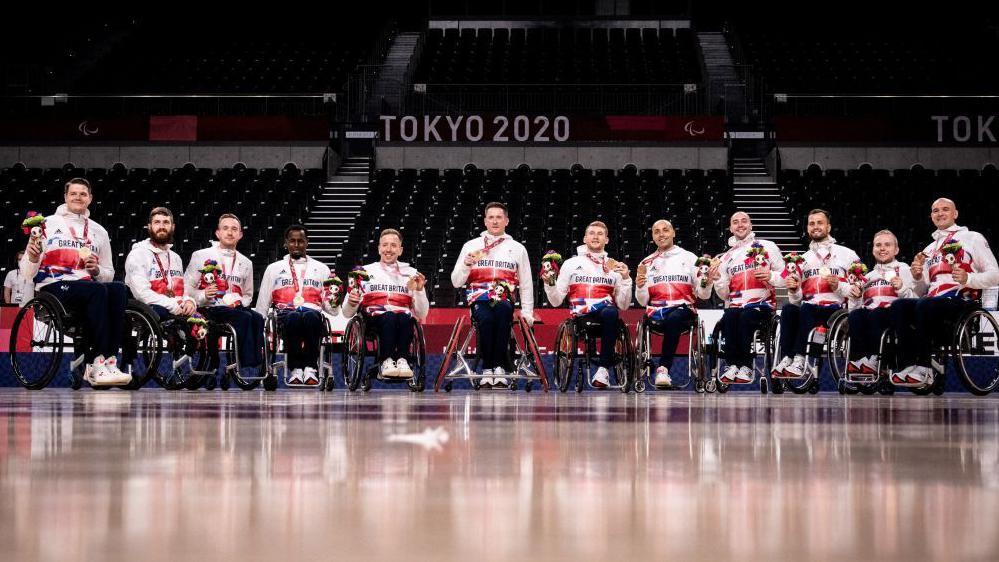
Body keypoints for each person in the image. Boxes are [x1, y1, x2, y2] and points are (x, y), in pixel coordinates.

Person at [19, 177, 131, 385]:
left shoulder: (99, 231)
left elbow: (108, 273)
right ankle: (96, 362)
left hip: (86, 288)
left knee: (118, 289)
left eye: (83, 194)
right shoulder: (46, 224)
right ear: (65, 197)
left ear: (90, 199)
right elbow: (26, 272)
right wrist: (33, 257)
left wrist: (97, 269)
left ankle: (109, 362)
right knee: (97, 291)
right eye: (73, 193)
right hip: (53, 287)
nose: (78, 197)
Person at [889, 198, 999, 383]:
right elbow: (922, 289)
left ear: (955, 214)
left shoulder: (973, 238)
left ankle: (925, 368)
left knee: (925, 304)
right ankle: (909, 365)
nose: (940, 213)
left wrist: (969, 278)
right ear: (931, 216)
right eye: (935, 210)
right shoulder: (929, 249)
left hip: (961, 302)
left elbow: (995, 274)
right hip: (932, 304)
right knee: (899, 306)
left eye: (945, 209)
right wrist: (917, 277)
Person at [450, 202, 535, 389]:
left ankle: (499, 368)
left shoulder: (518, 248)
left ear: (506, 221)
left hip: (505, 300)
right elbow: (456, 281)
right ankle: (488, 368)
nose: (495, 221)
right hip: (479, 299)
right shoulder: (471, 246)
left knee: (503, 311)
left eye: (499, 217)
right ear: (485, 221)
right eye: (491, 217)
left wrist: (528, 312)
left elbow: (527, 283)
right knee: (487, 318)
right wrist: (466, 264)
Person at [543, 221, 633, 388]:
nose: (595, 236)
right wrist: (549, 283)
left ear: (607, 240)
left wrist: (627, 279)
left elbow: (624, 304)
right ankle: (604, 367)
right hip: (581, 316)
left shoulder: (615, 267)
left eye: (600, 234)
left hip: (607, 314)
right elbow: (556, 301)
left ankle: (603, 370)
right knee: (610, 313)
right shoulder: (571, 264)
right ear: (585, 238)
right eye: (592, 233)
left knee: (611, 312)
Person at [775, 209, 860, 377]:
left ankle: (801, 359)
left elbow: (858, 288)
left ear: (828, 227)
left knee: (807, 308)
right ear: (807, 228)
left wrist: (839, 286)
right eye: (811, 223)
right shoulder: (802, 260)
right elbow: (797, 299)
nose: (815, 227)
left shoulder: (848, 254)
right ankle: (786, 359)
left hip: (837, 311)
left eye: (820, 223)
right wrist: (794, 290)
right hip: (810, 309)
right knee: (789, 309)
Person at [706, 211, 785, 384]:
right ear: (730, 228)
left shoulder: (767, 246)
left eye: (744, 221)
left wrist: (770, 275)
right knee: (730, 316)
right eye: (735, 222)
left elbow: (785, 277)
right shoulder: (726, 257)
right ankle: (733, 365)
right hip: (735, 306)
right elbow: (724, 294)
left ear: (750, 225)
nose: (740, 225)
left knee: (745, 316)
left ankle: (746, 366)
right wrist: (718, 280)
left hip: (761, 306)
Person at [341, 228, 429, 380]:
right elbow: (347, 313)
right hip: (373, 320)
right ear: (379, 248)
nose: (389, 249)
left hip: (402, 320)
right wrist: (351, 301)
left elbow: (422, 314)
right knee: (389, 316)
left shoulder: (411, 273)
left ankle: (403, 360)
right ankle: (385, 361)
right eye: (385, 245)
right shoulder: (362, 272)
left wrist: (420, 291)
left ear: (400, 250)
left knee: (404, 318)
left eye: (394, 245)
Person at [635, 220, 711, 387]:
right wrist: (640, 287)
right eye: (656, 231)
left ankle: (663, 368)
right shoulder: (646, 263)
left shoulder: (690, 258)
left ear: (673, 233)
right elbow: (642, 301)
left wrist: (707, 282)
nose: (661, 234)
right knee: (667, 318)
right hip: (656, 312)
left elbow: (703, 294)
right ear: (653, 237)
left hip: (684, 311)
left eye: (665, 230)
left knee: (675, 317)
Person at [255, 225, 334, 385]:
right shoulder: (273, 269)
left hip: (312, 313)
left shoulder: (322, 269)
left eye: (300, 241)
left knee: (310, 316)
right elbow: (263, 300)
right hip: (286, 315)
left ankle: (311, 367)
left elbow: (330, 308)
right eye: (292, 241)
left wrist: (335, 300)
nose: (296, 245)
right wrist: (259, 323)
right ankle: (296, 368)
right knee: (294, 317)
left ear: (307, 243)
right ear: (286, 243)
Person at [184, 213, 264, 370]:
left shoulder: (246, 263)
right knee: (245, 317)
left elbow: (248, 294)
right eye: (225, 228)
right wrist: (203, 295)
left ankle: (257, 362)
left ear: (240, 235)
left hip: (233, 308)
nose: (230, 232)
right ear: (217, 233)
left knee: (258, 318)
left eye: (234, 229)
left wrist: (239, 302)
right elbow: (187, 288)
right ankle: (246, 362)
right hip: (208, 308)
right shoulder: (200, 256)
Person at [844, 230, 915, 375]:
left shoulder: (905, 270)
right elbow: (855, 308)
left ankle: (877, 361)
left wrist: (901, 288)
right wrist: (855, 298)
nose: (882, 248)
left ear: (896, 250)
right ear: (873, 250)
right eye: (878, 245)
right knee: (855, 316)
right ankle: (860, 361)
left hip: (895, 317)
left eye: (887, 245)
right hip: (871, 316)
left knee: (876, 314)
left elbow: (915, 301)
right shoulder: (868, 277)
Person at [124, 207, 197, 320]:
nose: (162, 227)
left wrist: (189, 301)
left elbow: (182, 290)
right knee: (161, 313)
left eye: (166, 222)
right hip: (150, 311)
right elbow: (141, 294)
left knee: (202, 323)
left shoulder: (176, 258)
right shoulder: (138, 254)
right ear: (149, 226)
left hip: (176, 308)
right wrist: (172, 304)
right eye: (157, 222)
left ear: (173, 227)